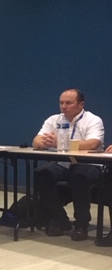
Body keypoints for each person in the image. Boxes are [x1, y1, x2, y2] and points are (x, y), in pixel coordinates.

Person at [32, 88, 104, 241]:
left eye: (68, 103)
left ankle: (81, 224)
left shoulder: (93, 120)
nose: (64, 106)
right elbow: (36, 140)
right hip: (64, 164)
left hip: (89, 164)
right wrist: (44, 142)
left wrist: (61, 142)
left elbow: (93, 143)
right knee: (42, 174)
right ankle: (59, 218)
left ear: (81, 104)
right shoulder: (54, 119)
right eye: (61, 103)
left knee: (79, 176)